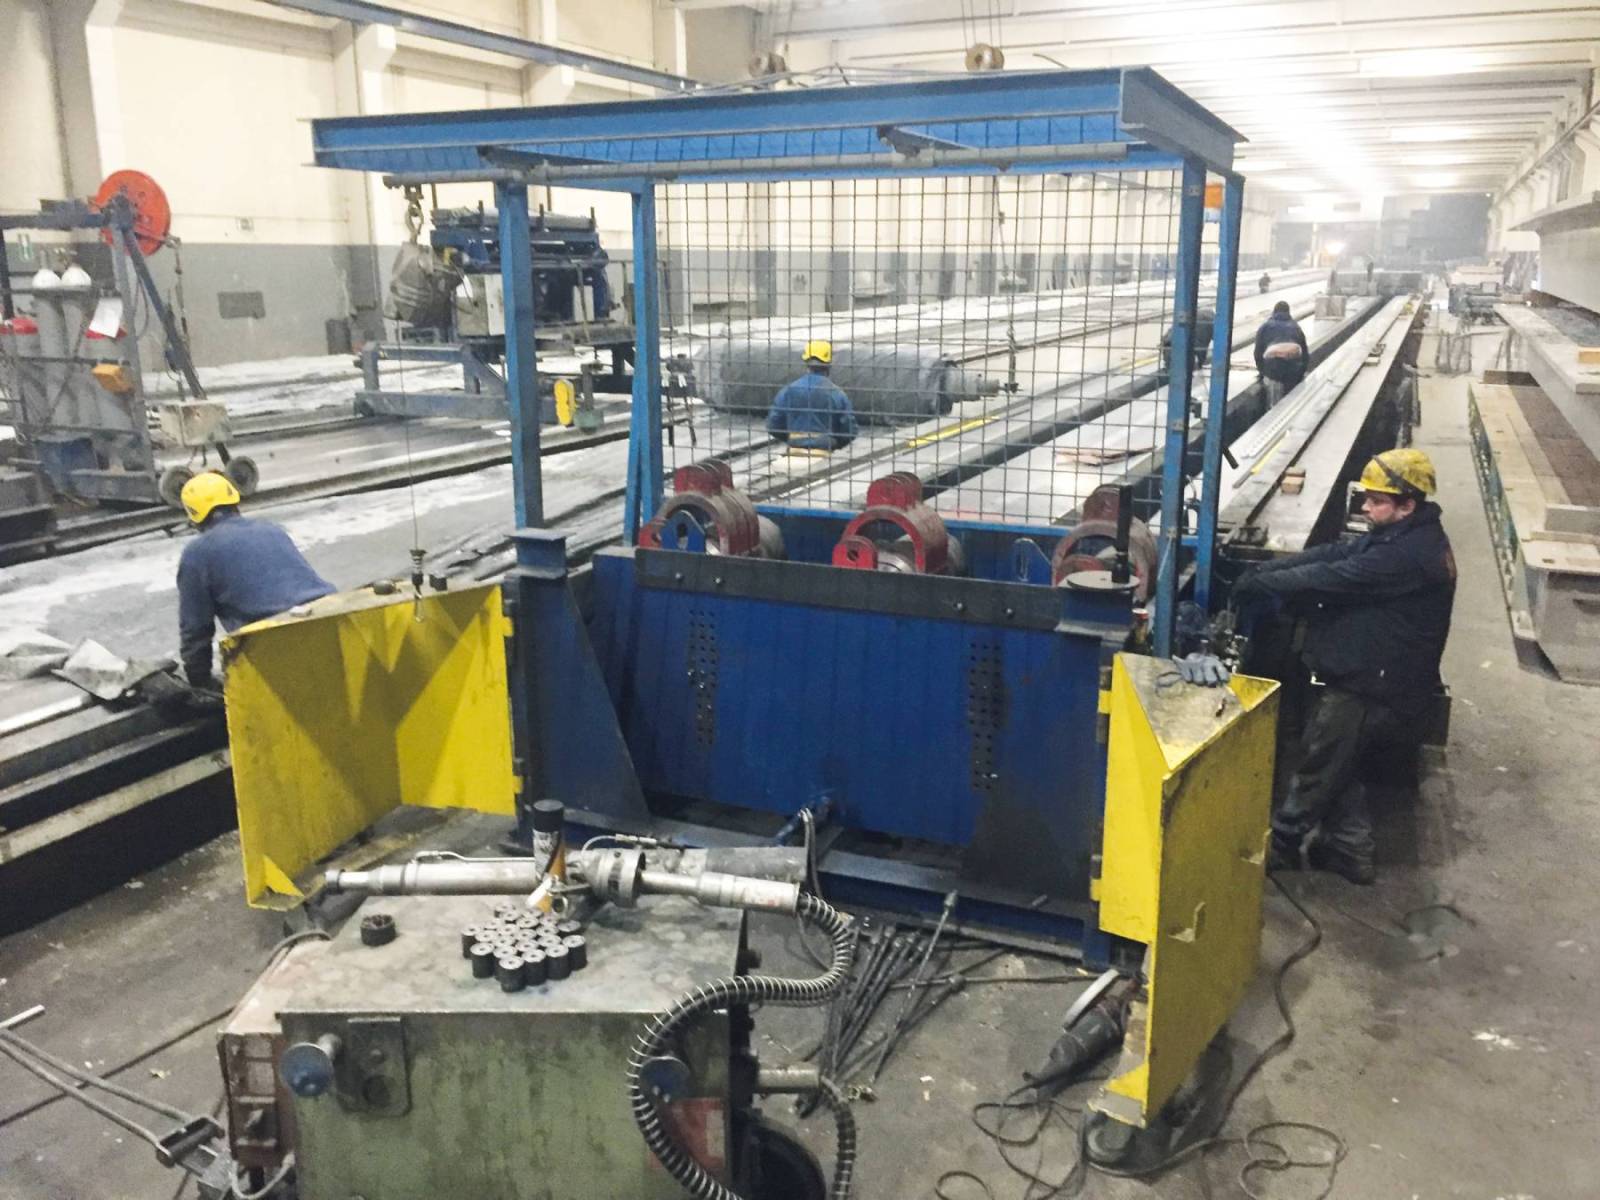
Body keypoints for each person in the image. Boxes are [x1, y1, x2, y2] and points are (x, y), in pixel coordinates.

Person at [1233, 449, 1456, 885]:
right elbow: (1338, 553)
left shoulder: (1408, 555)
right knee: (1338, 762)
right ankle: (1350, 850)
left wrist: (1261, 584)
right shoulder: (1404, 533)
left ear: (1407, 504)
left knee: (1319, 764)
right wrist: (1267, 569)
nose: (1367, 508)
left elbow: (1335, 576)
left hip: (1374, 686)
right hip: (1372, 672)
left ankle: (1281, 845)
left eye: (1377, 501)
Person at [177, 472, 335, 689]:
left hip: (272, 643)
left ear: (193, 515)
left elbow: (195, 628)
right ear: (234, 500)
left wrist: (199, 683)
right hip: (328, 617)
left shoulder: (197, 554)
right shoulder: (270, 529)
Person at [766, 340, 858, 451]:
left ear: (806, 362)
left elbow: (773, 424)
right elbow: (849, 430)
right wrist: (835, 443)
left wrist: (793, 438)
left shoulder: (788, 391)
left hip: (795, 445)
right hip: (825, 446)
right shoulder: (837, 393)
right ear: (828, 364)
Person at [1253, 300, 1309, 404]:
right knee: (1291, 404)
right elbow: (1305, 355)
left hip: (1274, 371)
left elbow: (1258, 354)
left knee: (1275, 405)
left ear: (1274, 312)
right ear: (1288, 313)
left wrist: (1263, 372)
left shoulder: (1264, 327)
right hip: (1293, 371)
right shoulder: (1296, 327)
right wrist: (1301, 372)